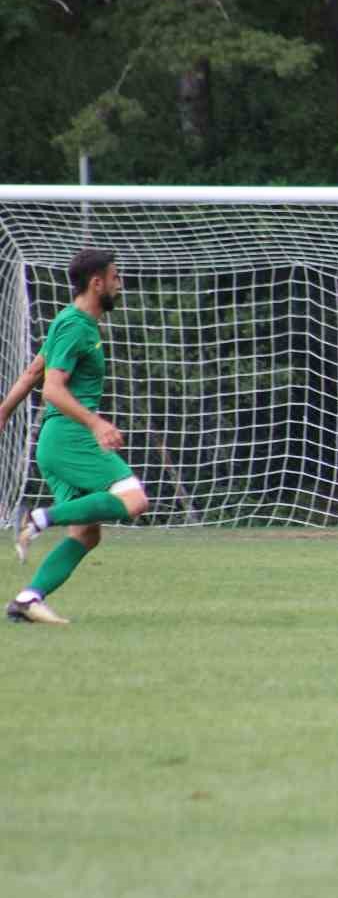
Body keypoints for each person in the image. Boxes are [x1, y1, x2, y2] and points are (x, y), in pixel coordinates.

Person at [5, 246, 151, 625]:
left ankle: (27, 599)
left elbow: (32, 373)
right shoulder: (74, 326)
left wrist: (2, 413)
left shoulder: (70, 322)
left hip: (57, 441)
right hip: (70, 437)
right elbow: (52, 389)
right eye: (116, 277)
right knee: (134, 500)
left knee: (87, 534)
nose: (120, 285)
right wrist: (96, 424)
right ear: (97, 282)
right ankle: (38, 518)